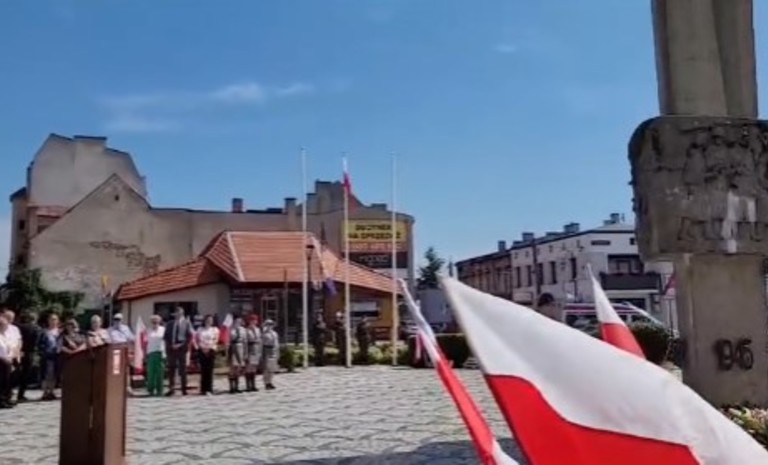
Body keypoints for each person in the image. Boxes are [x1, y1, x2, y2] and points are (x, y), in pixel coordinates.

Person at [163, 307, 194, 396]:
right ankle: (171, 388)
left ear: (182, 313)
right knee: (171, 369)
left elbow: (189, 336)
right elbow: (166, 336)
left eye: (179, 313)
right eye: (176, 313)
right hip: (171, 349)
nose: (177, 315)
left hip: (182, 349)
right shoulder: (170, 323)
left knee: (182, 369)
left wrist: (180, 345)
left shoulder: (187, 323)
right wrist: (171, 345)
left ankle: (184, 389)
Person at [16, 311, 41, 402]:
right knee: (25, 374)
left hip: (19, 351)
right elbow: (36, 342)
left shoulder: (20, 327)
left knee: (15, 372)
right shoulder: (37, 329)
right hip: (30, 352)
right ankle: (21, 395)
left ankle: (8, 392)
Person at [38, 313, 60, 401]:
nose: (53, 321)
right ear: (48, 321)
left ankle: (51, 391)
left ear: (58, 321)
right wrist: (42, 352)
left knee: (54, 375)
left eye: (55, 319)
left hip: (57, 356)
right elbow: (40, 344)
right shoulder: (44, 332)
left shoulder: (60, 332)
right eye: (52, 319)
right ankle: (45, 392)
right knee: (45, 375)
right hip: (47, 356)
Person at [195, 315, 219, 396]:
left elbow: (216, 340)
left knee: (209, 370)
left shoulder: (215, 330)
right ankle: (203, 389)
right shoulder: (200, 329)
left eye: (211, 320)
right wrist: (203, 348)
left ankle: (209, 389)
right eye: (208, 319)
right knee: (203, 370)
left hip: (211, 350)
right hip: (202, 350)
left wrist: (209, 347)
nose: (209, 321)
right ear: (205, 320)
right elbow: (197, 340)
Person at [144, 315, 166, 397]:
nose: (155, 323)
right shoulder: (148, 330)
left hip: (160, 352)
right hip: (151, 352)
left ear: (159, 321)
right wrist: (145, 353)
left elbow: (166, 341)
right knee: (151, 372)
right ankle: (151, 390)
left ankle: (160, 390)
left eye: (156, 321)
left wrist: (165, 353)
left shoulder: (163, 330)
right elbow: (145, 342)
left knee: (160, 372)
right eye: (153, 321)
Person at [0, 313, 16, 409]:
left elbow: (9, 348)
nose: (7, 327)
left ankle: (6, 398)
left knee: (7, 381)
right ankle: (1, 400)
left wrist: (10, 357)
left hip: (7, 361)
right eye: (5, 325)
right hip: (1, 361)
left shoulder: (4, 336)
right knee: (1, 381)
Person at [227, 315, 246, 394]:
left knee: (238, 368)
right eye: (237, 321)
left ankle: (237, 386)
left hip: (240, 347)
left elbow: (245, 341)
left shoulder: (243, 329)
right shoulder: (231, 329)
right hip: (233, 348)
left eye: (239, 321)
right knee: (232, 368)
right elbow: (228, 340)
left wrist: (245, 352)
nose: (238, 322)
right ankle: (232, 387)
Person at [243, 315, 261, 392]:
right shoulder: (246, 330)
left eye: (255, 320)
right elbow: (245, 342)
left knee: (254, 367)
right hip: (250, 348)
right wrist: (245, 353)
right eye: (252, 320)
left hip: (256, 349)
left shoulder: (258, 329)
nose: (254, 322)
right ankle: (248, 386)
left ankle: (253, 385)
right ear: (249, 321)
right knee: (248, 367)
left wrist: (260, 352)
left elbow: (260, 340)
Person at [261, 319, 279, 390]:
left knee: (272, 368)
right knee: (266, 368)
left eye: (271, 324)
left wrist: (277, 352)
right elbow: (261, 343)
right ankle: (266, 382)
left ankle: (270, 381)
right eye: (268, 324)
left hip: (273, 349)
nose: (270, 326)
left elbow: (276, 343)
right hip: (266, 350)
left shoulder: (274, 333)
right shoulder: (264, 333)